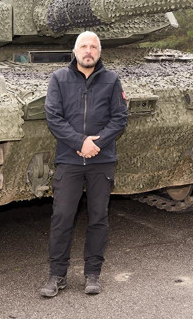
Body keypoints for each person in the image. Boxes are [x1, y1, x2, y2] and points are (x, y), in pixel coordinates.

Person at [39, 31, 128, 297]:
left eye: (93, 47)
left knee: (98, 217)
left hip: (102, 159)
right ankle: (57, 275)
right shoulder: (59, 78)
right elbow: (53, 117)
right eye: (84, 46)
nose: (88, 51)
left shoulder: (112, 80)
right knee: (62, 217)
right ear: (75, 50)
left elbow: (120, 117)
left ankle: (93, 274)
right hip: (70, 158)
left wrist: (96, 144)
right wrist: (80, 142)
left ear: (99, 52)